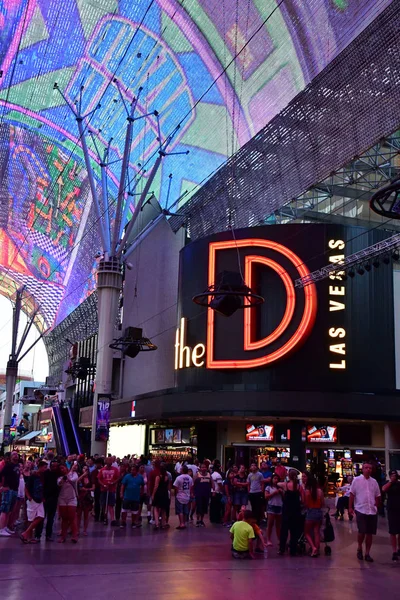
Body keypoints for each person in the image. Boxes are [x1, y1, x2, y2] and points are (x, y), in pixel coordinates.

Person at [349, 461, 381, 562]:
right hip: (360, 509)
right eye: (366, 468)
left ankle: (367, 553)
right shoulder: (356, 480)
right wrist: (350, 507)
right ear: (362, 469)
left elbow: (377, 495)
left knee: (370, 533)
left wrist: (376, 506)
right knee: (362, 531)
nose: (368, 470)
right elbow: (352, 494)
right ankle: (359, 547)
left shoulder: (374, 482)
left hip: (371, 510)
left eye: (370, 468)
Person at [20, 460, 48, 543]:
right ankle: (28, 536)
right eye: (44, 467)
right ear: (40, 467)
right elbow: (27, 487)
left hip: (40, 500)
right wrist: (29, 497)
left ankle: (26, 533)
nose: (45, 469)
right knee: (30, 519)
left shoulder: (43, 476)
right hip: (33, 499)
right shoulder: (33, 476)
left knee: (41, 516)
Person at [35, 460, 60, 541]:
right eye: (53, 466)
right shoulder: (45, 474)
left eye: (56, 466)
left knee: (51, 518)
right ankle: (38, 535)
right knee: (41, 517)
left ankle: (48, 535)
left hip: (53, 499)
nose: (54, 468)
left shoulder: (58, 474)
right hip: (45, 498)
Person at [278, 469, 302, 556]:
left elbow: (277, 484)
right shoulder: (299, 486)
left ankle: (282, 549)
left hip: (287, 510)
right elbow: (302, 499)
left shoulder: (286, 485)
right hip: (296, 510)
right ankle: (293, 549)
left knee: (284, 530)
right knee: (294, 531)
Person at [303, 472, 325, 557]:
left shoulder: (307, 491)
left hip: (311, 512)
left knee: (306, 532)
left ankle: (313, 547)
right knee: (316, 532)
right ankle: (317, 549)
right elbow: (323, 503)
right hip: (319, 512)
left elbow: (306, 503)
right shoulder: (320, 491)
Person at [0, 451, 20, 536]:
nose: (16, 456)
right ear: (11, 457)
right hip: (8, 490)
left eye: (16, 454)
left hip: (15, 490)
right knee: (5, 510)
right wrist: (2, 486)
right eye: (14, 454)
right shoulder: (8, 466)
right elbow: (1, 475)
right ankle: (1, 529)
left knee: (10, 510)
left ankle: (5, 527)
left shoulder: (17, 466)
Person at [57, 464, 79, 543]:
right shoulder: (59, 477)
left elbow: (73, 480)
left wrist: (68, 475)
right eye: (60, 469)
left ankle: (74, 535)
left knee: (72, 518)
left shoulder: (73, 474)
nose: (62, 469)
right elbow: (59, 483)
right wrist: (64, 478)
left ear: (66, 468)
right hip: (62, 498)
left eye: (63, 467)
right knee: (64, 518)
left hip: (72, 498)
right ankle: (63, 536)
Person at [382, 470, 400, 561]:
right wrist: (391, 481)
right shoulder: (388, 484)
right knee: (392, 531)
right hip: (392, 509)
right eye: (392, 475)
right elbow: (384, 489)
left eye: (395, 475)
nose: (394, 476)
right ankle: (394, 551)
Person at [98, 457, 120, 526]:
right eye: (108, 461)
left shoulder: (115, 470)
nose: (109, 462)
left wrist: (113, 483)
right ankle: (104, 517)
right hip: (104, 489)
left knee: (111, 504)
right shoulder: (102, 470)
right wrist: (103, 485)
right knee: (104, 504)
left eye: (110, 461)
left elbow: (118, 477)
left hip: (111, 489)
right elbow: (99, 479)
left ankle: (113, 519)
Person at [265, 474, 283, 546]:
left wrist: (281, 492)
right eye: (274, 478)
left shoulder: (281, 487)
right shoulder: (268, 487)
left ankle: (279, 539)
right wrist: (274, 493)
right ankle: (268, 539)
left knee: (278, 525)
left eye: (277, 479)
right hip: (271, 506)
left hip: (279, 506)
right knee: (270, 524)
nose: (276, 480)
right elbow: (266, 496)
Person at [173, 465, 193, 529]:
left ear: (182, 470)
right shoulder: (190, 478)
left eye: (181, 469)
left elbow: (175, 487)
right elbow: (191, 487)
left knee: (180, 511)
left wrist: (176, 494)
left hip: (180, 496)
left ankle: (181, 523)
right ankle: (184, 522)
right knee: (185, 511)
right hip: (187, 496)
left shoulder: (178, 478)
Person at [151, 464, 170, 529]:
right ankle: (163, 524)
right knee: (163, 509)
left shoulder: (158, 477)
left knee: (156, 508)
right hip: (165, 493)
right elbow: (168, 487)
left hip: (158, 493)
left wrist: (153, 494)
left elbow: (156, 486)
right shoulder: (167, 477)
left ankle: (157, 523)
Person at [77, 466, 94, 536]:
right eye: (84, 468)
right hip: (80, 497)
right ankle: (77, 529)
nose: (86, 470)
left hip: (87, 497)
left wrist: (87, 489)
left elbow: (93, 487)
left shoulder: (90, 478)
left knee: (86, 515)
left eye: (87, 469)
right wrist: (83, 475)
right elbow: (77, 482)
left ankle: (85, 530)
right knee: (78, 515)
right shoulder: (80, 478)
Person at [193, 463, 212, 527]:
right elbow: (193, 484)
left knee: (204, 507)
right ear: (200, 468)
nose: (204, 468)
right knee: (199, 507)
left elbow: (212, 483)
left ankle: (202, 520)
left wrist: (213, 491)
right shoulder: (197, 475)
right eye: (202, 467)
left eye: (205, 467)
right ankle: (198, 520)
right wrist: (192, 492)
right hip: (199, 494)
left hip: (206, 494)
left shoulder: (209, 475)